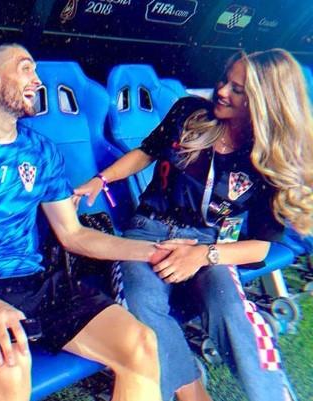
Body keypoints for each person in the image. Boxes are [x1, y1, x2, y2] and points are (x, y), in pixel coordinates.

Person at [0, 43, 171, 401]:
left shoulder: (42, 150)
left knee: (140, 344)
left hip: (33, 281)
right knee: (10, 364)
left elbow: (73, 234)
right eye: (25, 68)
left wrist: (153, 251)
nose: (38, 80)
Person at [75, 48, 313, 401]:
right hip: (147, 232)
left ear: (264, 102)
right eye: (224, 80)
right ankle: (194, 394)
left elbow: (264, 245)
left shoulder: (266, 157)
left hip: (211, 243)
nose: (222, 91)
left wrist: (203, 254)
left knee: (230, 309)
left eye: (238, 89)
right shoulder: (190, 111)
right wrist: (102, 179)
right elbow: (148, 151)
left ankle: (273, 395)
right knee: (141, 308)